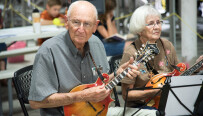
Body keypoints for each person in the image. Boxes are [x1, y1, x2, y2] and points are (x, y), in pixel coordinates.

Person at [28, 1, 157, 116]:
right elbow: (35, 102)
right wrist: (82, 96)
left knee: (152, 114)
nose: (81, 29)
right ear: (67, 22)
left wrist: (118, 74)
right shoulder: (48, 51)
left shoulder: (97, 44)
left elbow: (103, 84)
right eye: (76, 22)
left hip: (99, 112)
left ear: (95, 26)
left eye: (87, 24)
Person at [120, 4, 203, 110]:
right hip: (141, 106)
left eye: (158, 22)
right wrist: (155, 92)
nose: (157, 27)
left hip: (168, 100)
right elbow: (126, 95)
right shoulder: (131, 53)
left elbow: (179, 77)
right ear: (139, 29)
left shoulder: (167, 45)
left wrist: (196, 69)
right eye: (151, 24)